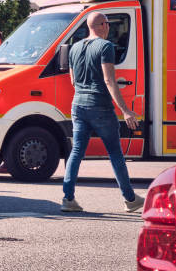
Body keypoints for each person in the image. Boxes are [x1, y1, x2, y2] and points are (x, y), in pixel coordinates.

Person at [61, 12, 144, 213]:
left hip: (78, 105)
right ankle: (130, 199)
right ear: (102, 25)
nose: (109, 27)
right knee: (115, 152)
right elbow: (109, 80)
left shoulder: (74, 48)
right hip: (100, 107)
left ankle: (68, 198)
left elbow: (73, 81)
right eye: (108, 24)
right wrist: (125, 110)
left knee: (77, 151)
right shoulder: (106, 47)